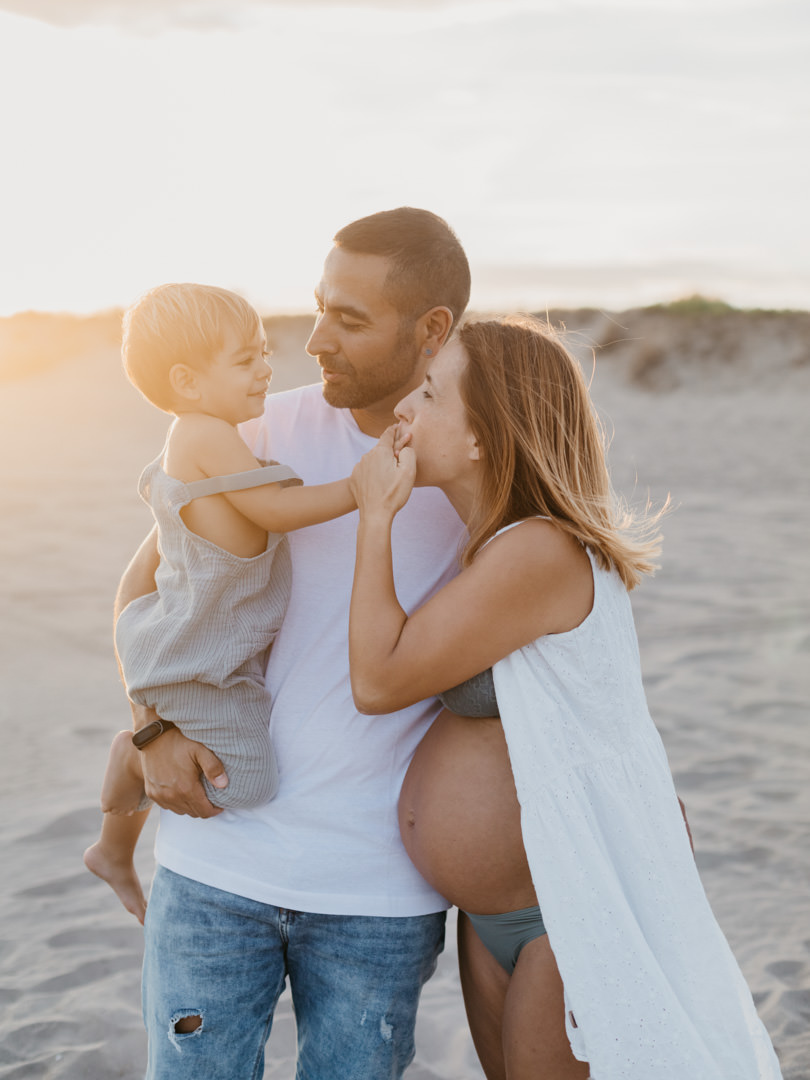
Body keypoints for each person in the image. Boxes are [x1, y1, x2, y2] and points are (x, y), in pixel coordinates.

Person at [347, 316, 784, 1080]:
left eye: (430, 393)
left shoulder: (539, 549)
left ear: (483, 435)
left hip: (561, 915)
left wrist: (375, 516)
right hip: (496, 917)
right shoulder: (496, 549)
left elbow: (377, 681)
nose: (404, 409)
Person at [109, 209, 471, 1079]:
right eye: (317, 308)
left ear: (431, 331)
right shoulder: (254, 431)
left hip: (377, 891)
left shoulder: (471, 466)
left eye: (349, 319)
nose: (314, 341)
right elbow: (142, 593)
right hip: (213, 865)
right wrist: (149, 729)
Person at [84, 282, 358, 925]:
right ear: (186, 381)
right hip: (191, 655)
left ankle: (112, 848)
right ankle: (127, 768)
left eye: (263, 353)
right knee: (249, 782)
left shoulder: (207, 435)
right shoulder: (205, 434)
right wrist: (360, 488)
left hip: (197, 647)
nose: (265, 369)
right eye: (244, 360)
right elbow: (275, 510)